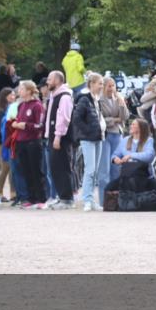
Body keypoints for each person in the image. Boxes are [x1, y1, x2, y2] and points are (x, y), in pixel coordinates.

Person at [7, 80, 47, 208]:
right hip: (21, 142)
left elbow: (40, 125)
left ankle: (41, 199)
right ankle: (31, 198)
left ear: (29, 91)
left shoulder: (37, 106)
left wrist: (26, 125)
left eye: (22, 89)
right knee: (26, 171)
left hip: (33, 142)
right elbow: (19, 121)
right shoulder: (21, 105)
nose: (19, 91)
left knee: (36, 171)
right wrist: (15, 124)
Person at [72, 73, 106, 211]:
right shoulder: (84, 99)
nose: (101, 86)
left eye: (102, 84)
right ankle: (87, 199)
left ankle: (91, 199)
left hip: (99, 137)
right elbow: (76, 118)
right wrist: (88, 131)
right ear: (91, 84)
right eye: (100, 83)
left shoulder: (98, 99)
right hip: (88, 138)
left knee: (95, 171)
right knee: (90, 170)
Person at [44, 70, 76, 209]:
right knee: (55, 168)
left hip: (61, 138)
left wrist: (58, 136)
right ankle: (61, 196)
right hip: (53, 137)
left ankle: (67, 199)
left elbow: (63, 118)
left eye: (50, 79)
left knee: (62, 167)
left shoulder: (64, 97)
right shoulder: (53, 96)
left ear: (58, 80)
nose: (47, 82)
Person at [98, 76, 130, 206]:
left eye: (113, 85)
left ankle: (116, 199)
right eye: (109, 86)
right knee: (104, 169)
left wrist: (122, 105)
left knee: (116, 168)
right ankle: (103, 200)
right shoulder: (100, 100)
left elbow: (125, 117)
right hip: (105, 135)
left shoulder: (118, 98)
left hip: (117, 134)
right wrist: (115, 120)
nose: (112, 88)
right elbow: (101, 119)